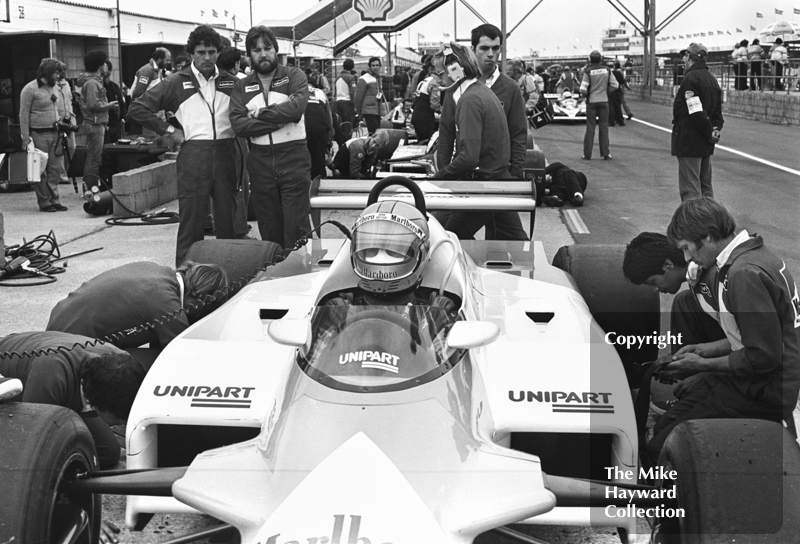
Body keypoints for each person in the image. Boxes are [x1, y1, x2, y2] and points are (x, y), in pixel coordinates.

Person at [648, 198, 800, 458]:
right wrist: (705, 350)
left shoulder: (744, 274)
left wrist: (700, 366)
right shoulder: (753, 256)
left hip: (763, 390)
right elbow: (755, 336)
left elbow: (763, 356)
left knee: (660, 448)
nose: (687, 258)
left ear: (707, 236)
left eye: (687, 248)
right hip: (755, 380)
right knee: (663, 427)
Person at [128, 25, 239, 266]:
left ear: (219, 53)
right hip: (193, 155)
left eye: (212, 52)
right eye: (201, 52)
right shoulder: (176, 82)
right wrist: (169, 130)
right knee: (192, 222)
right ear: (191, 54)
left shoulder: (232, 82)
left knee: (228, 221)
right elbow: (136, 108)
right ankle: (186, 278)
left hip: (226, 153)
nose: (207, 57)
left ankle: (230, 275)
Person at [0, 331, 147, 469]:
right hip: (19, 384)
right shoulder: (50, 375)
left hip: (70, 389)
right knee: (42, 456)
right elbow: (28, 442)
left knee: (107, 452)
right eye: (120, 420)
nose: (124, 423)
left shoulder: (124, 364)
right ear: (98, 405)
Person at [431, 42, 528, 242]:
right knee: (516, 241)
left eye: (441, 73)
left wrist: (438, 178)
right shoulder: (481, 91)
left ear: (455, 70)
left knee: (445, 239)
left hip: (486, 186)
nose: (437, 77)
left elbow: (468, 157)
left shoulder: (469, 100)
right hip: (497, 181)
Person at [229, 25, 312, 250]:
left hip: (293, 160)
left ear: (276, 50)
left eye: (267, 48)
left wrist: (261, 114)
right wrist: (277, 121)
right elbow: (238, 125)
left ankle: (301, 280)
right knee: (270, 234)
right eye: (256, 50)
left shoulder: (294, 75)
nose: (263, 53)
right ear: (248, 55)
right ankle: (275, 281)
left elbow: (296, 110)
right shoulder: (242, 86)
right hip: (260, 164)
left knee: (297, 232)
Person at [46, 261, 229, 349]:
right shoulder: (164, 301)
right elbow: (181, 354)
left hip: (57, 327)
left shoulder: (158, 271)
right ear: (199, 298)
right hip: (68, 349)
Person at [439, 23, 528, 183]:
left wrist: (516, 174)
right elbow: (446, 132)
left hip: (496, 176)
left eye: (496, 48)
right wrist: (444, 176)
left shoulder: (510, 87)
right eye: (484, 48)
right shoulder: (456, 87)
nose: (491, 54)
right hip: (466, 175)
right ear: (473, 50)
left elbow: (518, 134)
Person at [671, 42, 724, 201]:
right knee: (705, 187)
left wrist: (709, 132)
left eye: (684, 56)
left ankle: (694, 224)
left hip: (689, 140)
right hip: (705, 143)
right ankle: (711, 222)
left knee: (691, 189)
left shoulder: (690, 79)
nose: (683, 60)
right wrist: (714, 131)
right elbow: (718, 115)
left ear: (689, 57)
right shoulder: (712, 80)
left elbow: (695, 111)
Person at [19, 58, 72, 212]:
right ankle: (44, 202)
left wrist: (64, 127)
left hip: (56, 134)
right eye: (56, 72)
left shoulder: (55, 87)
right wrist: (25, 137)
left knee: (55, 169)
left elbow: (59, 110)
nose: (58, 76)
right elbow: (23, 115)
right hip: (38, 134)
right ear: (47, 72)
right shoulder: (29, 89)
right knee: (40, 170)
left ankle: (55, 199)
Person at [216, 46, 251, 238]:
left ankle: (221, 225)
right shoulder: (237, 84)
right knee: (239, 184)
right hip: (235, 138)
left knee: (218, 187)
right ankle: (239, 230)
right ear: (236, 64)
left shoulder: (209, 82)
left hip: (211, 140)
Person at [78, 50, 118, 189]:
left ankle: (89, 186)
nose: (106, 66)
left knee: (93, 157)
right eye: (104, 63)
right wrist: (110, 105)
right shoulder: (92, 84)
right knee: (95, 159)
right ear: (100, 65)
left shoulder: (93, 82)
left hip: (95, 123)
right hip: (95, 124)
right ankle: (91, 188)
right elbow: (93, 104)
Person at [579, 50, 618, 160]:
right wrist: (606, 92)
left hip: (592, 102)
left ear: (590, 59)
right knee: (604, 127)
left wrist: (588, 95)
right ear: (601, 59)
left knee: (590, 128)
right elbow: (615, 85)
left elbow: (582, 89)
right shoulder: (607, 70)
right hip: (604, 101)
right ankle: (605, 153)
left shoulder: (588, 72)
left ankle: (587, 154)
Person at [305, 79, 335, 180]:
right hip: (319, 127)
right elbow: (329, 116)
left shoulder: (295, 91)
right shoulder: (320, 93)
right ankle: (319, 182)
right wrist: (329, 136)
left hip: (301, 127)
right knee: (318, 158)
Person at [410, 60, 440, 142]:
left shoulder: (424, 81)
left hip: (417, 116)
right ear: (432, 69)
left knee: (421, 140)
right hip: (425, 118)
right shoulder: (435, 82)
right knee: (426, 142)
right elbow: (434, 104)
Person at [354, 57, 385, 135]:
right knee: (373, 133)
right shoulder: (364, 79)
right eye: (373, 65)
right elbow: (358, 97)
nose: (375, 67)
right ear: (370, 66)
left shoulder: (377, 78)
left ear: (380, 66)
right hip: (368, 110)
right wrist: (359, 112)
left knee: (376, 133)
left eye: (377, 65)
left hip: (377, 110)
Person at [103, 60, 127, 143]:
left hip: (116, 124)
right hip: (105, 124)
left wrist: (122, 118)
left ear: (109, 71)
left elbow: (121, 103)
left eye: (105, 68)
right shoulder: (99, 86)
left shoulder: (114, 86)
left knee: (115, 148)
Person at [334, 58, 358, 131]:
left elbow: (335, 91)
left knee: (340, 123)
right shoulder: (351, 77)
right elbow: (352, 91)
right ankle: (347, 140)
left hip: (338, 102)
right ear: (352, 67)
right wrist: (354, 104)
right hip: (347, 103)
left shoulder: (337, 77)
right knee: (348, 124)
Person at [607, 62, 627, 126]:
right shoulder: (618, 73)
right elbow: (622, 82)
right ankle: (621, 121)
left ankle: (612, 121)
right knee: (618, 106)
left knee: (611, 106)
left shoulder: (607, 74)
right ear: (613, 66)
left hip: (610, 91)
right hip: (618, 91)